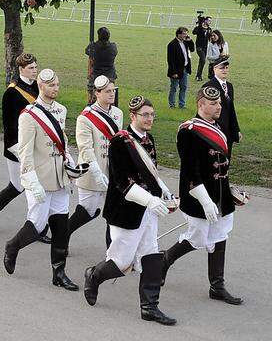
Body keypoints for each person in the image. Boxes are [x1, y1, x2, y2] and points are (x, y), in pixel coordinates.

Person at [83, 96, 177, 326]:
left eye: (152, 114)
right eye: (145, 115)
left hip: (149, 209)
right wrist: (150, 200)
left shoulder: (149, 139)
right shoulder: (119, 142)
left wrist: (165, 193)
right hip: (126, 209)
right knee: (122, 262)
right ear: (133, 116)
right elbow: (123, 182)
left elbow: (152, 173)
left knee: (151, 255)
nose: (150, 119)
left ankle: (149, 307)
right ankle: (94, 275)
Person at [160, 87, 243, 306]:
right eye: (213, 104)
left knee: (221, 234)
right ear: (200, 104)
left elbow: (222, 166)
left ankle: (217, 286)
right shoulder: (189, 131)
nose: (218, 107)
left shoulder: (219, 127)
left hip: (221, 195)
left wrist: (230, 191)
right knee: (197, 237)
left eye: (219, 104)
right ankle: (164, 260)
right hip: (199, 196)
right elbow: (190, 171)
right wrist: (205, 200)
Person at [2, 68, 79, 291]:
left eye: (57, 85)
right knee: (36, 225)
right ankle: (12, 246)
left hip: (60, 177)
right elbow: (24, 151)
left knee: (61, 226)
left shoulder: (61, 110)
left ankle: (59, 272)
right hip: (40, 177)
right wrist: (29, 179)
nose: (55, 89)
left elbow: (61, 141)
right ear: (40, 86)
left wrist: (71, 163)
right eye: (51, 85)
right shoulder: (28, 115)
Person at [0, 53, 44, 237]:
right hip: (17, 146)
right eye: (30, 68)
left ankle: (38, 227)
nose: (34, 71)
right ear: (21, 69)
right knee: (18, 186)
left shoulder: (39, 87)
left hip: (37, 145)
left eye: (36, 67)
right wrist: (19, 149)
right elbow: (9, 125)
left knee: (39, 187)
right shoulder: (12, 92)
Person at [68, 75, 123, 249]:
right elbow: (85, 148)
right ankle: (63, 234)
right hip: (92, 171)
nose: (111, 94)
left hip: (113, 172)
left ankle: (112, 252)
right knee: (87, 211)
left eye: (113, 91)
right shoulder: (85, 118)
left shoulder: (117, 113)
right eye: (107, 92)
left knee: (113, 212)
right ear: (97, 94)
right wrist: (97, 172)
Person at [201, 57, 241, 157]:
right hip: (215, 129)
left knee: (227, 159)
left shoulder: (230, 86)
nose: (225, 70)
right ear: (214, 69)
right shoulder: (208, 86)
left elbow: (231, 110)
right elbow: (205, 111)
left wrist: (236, 130)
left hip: (228, 131)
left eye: (227, 67)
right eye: (221, 68)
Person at [85, 27, 117, 104]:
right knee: (109, 97)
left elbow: (87, 51)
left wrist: (93, 44)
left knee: (93, 98)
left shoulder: (93, 47)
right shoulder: (113, 47)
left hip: (96, 75)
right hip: (110, 75)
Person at [167, 26, 195, 109]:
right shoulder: (172, 44)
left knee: (183, 87)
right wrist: (174, 72)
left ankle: (182, 105)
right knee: (174, 87)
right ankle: (172, 104)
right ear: (178, 34)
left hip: (185, 68)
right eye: (183, 34)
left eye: (186, 34)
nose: (185, 36)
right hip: (176, 70)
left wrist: (190, 41)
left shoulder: (186, 42)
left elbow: (192, 49)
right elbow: (170, 60)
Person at [192, 15, 212, 81]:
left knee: (201, 61)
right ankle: (198, 75)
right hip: (199, 47)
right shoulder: (199, 27)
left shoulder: (209, 29)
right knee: (203, 60)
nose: (210, 22)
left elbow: (210, 39)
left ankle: (198, 76)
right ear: (205, 20)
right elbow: (194, 32)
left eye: (210, 21)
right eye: (209, 20)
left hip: (205, 47)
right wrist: (199, 24)